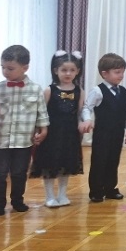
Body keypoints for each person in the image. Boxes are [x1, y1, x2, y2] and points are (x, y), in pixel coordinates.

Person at [0, 45, 49, 216]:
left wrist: (43, 129)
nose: (5, 71)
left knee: (19, 172)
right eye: (3, 67)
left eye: (10, 68)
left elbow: (41, 112)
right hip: (0, 139)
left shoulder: (35, 89)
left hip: (24, 140)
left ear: (25, 67)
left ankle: (17, 200)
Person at [30, 53, 87, 206]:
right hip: (51, 134)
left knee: (66, 164)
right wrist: (38, 131)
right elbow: (40, 112)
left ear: (77, 71)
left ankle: (62, 194)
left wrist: (84, 123)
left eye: (72, 70)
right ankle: (49, 196)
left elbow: (81, 111)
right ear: (56, 70)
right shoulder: (49, 90)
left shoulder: (79, 91)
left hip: (70, 134)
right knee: (49, 164)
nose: (68, 73)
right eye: (64, 70)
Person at [84, 54, 126, 201]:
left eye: (122, 72)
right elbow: (87, 107)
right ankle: (96, 191)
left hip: (118, 133)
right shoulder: (97, 91)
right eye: (117, 72)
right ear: (105, 74)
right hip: (102, 133)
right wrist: (87, 120)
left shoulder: (123, 91)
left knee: (113, 160)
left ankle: (110, 188)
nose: (121, 75)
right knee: (99, 161)